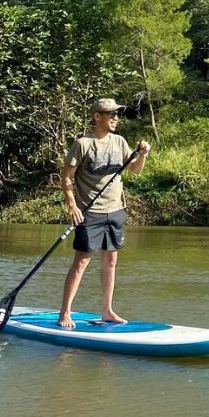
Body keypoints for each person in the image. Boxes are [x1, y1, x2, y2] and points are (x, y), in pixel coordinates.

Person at [58, 98, 150, 328]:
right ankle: (65, 312)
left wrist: (143, 155)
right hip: (89, 211)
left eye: (117, 115)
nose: (115, 118)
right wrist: (72, 205)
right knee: (82, 261)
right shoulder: (83, 144)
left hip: (116, 210)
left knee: (111, 260)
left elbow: (135, 170)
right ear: (97, 116)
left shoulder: (119, 142)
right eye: (111, 114)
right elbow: (66, 176)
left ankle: (108, 311)